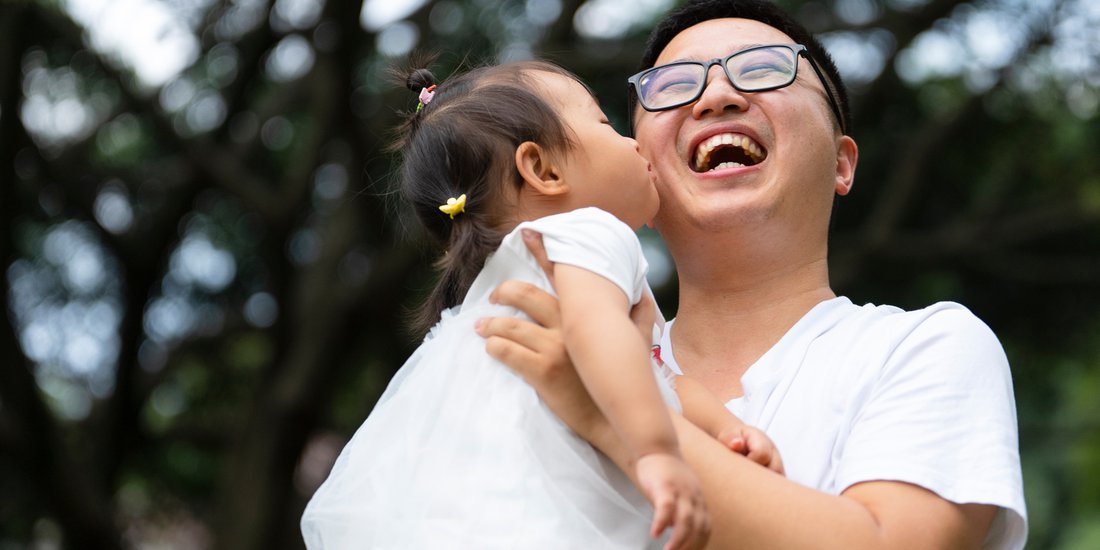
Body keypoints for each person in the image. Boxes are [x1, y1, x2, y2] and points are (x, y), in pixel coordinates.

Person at [475, 0, 1028, 549]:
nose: (716, 97)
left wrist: (606, 416)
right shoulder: (534, 354)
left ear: (842, 162)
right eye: (672, 85)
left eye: (763, 68)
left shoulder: (923, 347)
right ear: (640, 162)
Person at [300, 58, 782, 550]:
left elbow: (660, 375)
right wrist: (656, 452)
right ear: (543, 169)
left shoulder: (513, 279)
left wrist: (728, 430)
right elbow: (599, 333)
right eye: (605, 124)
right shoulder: (588, 232)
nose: (632, 143)